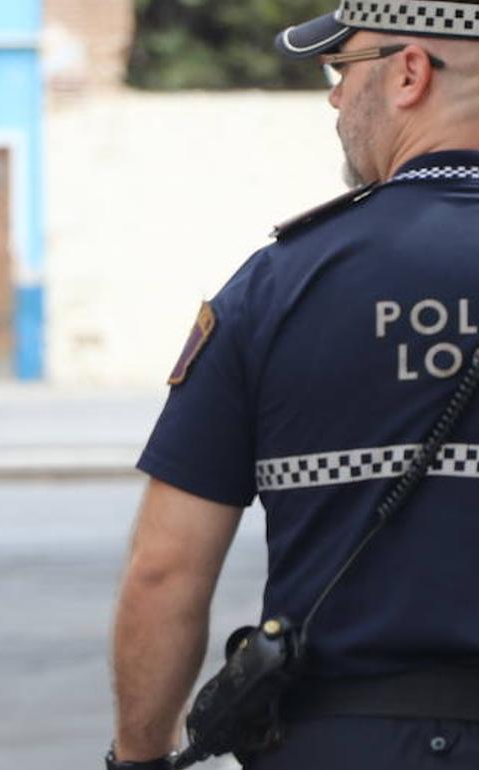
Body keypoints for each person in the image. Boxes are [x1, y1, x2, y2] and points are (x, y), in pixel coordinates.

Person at [108, 1, 479, 768]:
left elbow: (167, 568)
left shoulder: (278, 286)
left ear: (409, 72)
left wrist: (140, 757)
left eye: (343, 70)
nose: (337, 98)